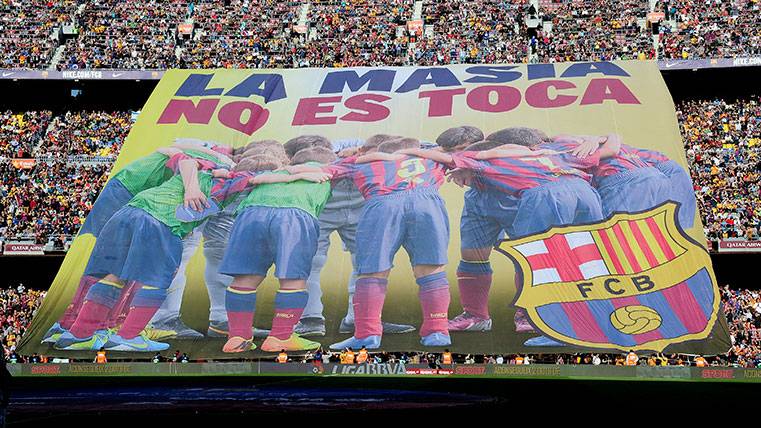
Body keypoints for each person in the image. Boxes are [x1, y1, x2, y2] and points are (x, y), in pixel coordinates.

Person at [318, 137, 452, 350]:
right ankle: (438, 331)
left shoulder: (361, 161)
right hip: (427, 202)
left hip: (382, 203)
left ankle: (367, 335)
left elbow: (323, 171)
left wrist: (351, 153)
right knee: (431, 269)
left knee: (372, 272)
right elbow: (457, 151)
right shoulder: (432, 157)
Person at [217, 147, 334, 353]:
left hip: (251, 214)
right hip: (294, 215)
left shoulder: (273, 172)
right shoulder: (329, 170)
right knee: (293, 278)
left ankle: (237, 337)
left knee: (244, 278)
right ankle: (280, 337)